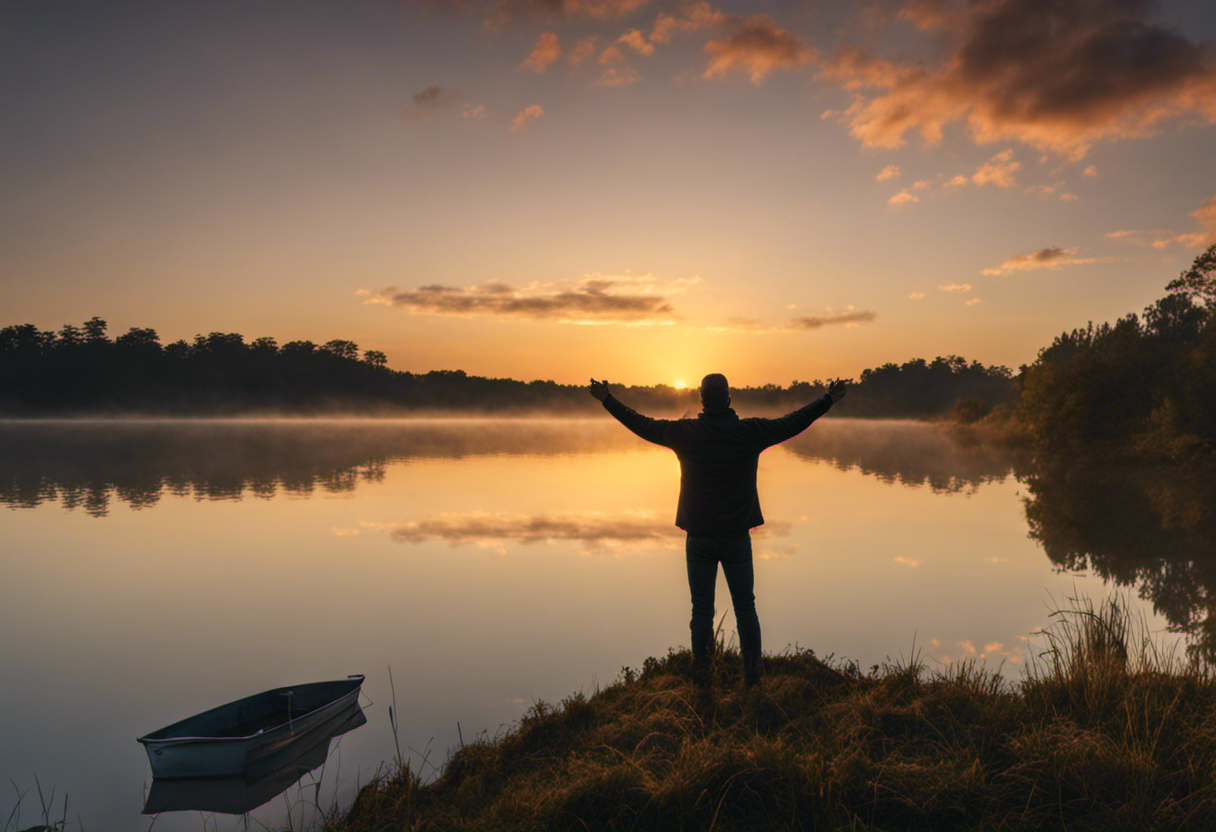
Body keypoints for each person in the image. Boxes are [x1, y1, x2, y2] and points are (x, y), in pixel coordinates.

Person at [589, 373, 846, 686]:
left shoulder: (685, 432)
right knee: (745, 608)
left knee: (701, 612)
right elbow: (794, 421)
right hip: (737, 538)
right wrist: (827, 400)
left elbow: (641, 424)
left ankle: (703, 677)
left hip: (699, 538)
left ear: (701, 400)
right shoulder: (750, 432)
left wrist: (607, 400)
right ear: (728, 399)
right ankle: (752, 678)